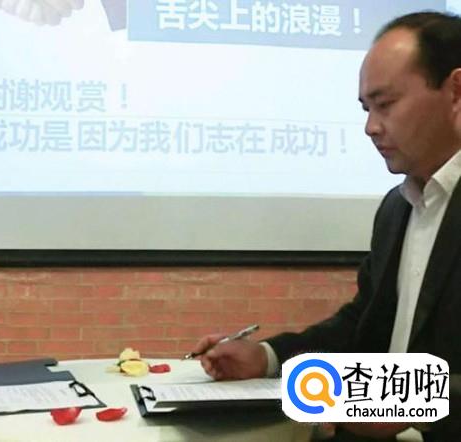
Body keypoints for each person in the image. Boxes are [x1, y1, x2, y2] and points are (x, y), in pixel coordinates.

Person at [191, 11, 461, 442]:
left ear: (455, 92)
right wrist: (268, 357)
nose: (371, 127)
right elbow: (361, 325)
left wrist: (412, 401)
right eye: (366, 109)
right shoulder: (397, 209)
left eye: (386, 104)